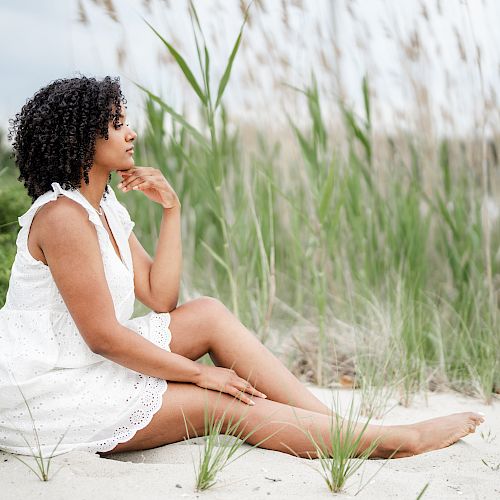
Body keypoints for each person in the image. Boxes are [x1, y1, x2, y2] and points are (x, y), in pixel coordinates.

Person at [0, 75, 484, 461]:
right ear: (81, 138)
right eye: (115, 123)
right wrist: (199, 376)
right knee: (222, 404)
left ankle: (344, 430)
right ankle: (398, 442)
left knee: (207, 313)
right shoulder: (62, 217)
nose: (131, 132)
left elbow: (160, 296)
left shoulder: (102, 205)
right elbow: (103, 336)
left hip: (91, 363)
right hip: (50, 391)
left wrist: (173, 209)